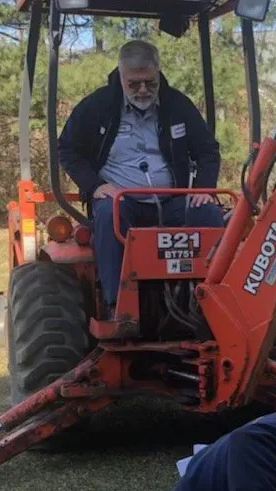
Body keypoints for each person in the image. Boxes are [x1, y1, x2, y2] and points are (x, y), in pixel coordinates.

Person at [57, 38, 224, 313]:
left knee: (209, 214)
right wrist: (95, 185)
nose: (143, 90)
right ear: (120, 76)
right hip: (122, 201)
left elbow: (207, 151)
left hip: (172, 200)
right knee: (110, 215)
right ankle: (116, 307)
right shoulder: (97, 106)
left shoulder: (178, 105)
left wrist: (205, 188)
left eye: (150, 82)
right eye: (134, 84)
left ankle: (214, 303)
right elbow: (67, 148)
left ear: (158, 74)